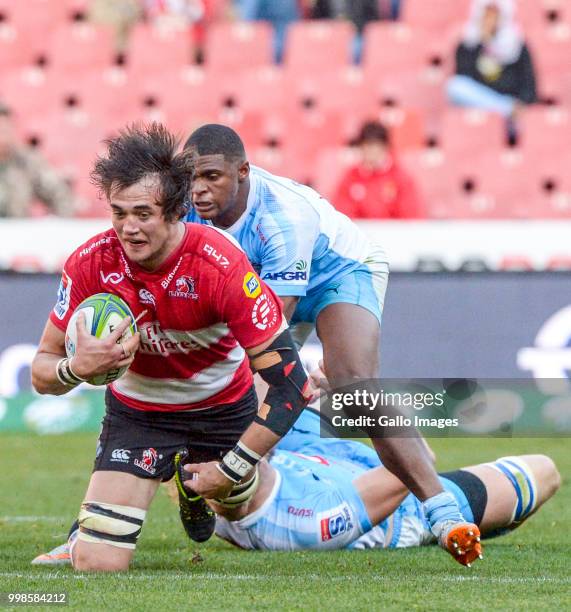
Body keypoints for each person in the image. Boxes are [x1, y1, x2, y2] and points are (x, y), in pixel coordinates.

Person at [181, 123, 481, 564]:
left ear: (243, 171)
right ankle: (183, 489)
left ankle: (442, 510)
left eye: (212, 177)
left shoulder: (283, 217)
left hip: (338, 275)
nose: (199, 190)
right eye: (191, 178)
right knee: (188, 375)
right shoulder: (186, 211)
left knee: (352, 384)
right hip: (260, 290)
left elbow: (268, 326)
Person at [30, 122, 310, 572]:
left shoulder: (221, 265)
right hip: (140, 417)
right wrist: (76, 367)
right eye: (119, 213)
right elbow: (41, 370)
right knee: (97, 563)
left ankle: (198, 482)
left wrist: (233, 468)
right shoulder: (90, 263)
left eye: (143, 213)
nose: (129, 228)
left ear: (176, 211)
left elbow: (292, 385)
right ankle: (95, 524)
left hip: (223, 410)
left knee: (234, 507)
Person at [212, 409, 561, 561]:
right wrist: (356, 394)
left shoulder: (262, 462)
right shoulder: (307, 521)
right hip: (409, 506)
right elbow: (416, 464)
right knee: (542, 471)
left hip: (323, 458)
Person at [446, 0, 537, 119]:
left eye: (494, 15)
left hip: (510, 101)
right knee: (456, 87)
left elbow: (528, 83)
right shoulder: (468, 43)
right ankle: (504, 110)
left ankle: (506, 111)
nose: (490, 19)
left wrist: (522, 102)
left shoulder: (516, 44)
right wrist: (481, 43)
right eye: (486, 14)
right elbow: (464, 75)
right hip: (478, 105)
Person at [332, 120, 424, 219]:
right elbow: (342, 217)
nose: (372, 151)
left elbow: (411, 218)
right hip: (359, 232)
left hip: (393, 233)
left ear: (386, 147)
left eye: (376, 146)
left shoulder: (401, 178)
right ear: (361, 147)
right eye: (367, 145)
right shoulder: (350, 178)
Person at [0, 103, 75, 218]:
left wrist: (56, 227)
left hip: (17, 232)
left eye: (6, 129)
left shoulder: (28, 161)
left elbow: (61, 196)